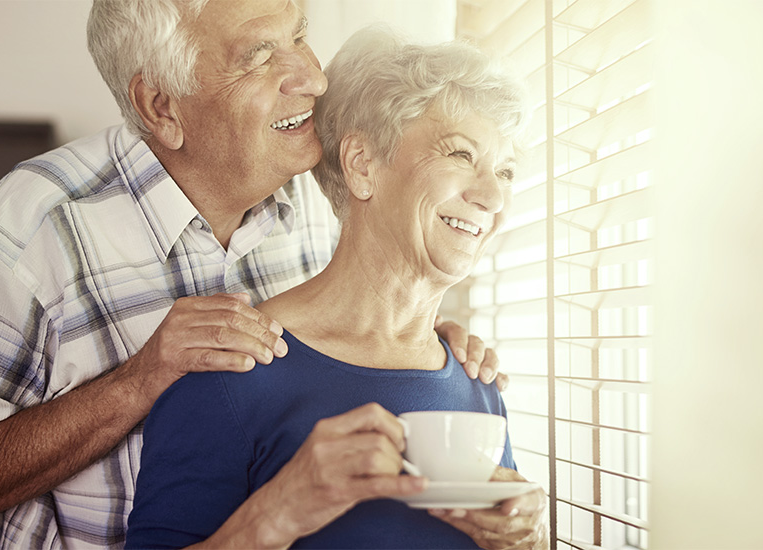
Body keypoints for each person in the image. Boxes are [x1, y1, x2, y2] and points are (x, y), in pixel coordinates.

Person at [0, 0, 503, 548]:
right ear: (160, 105)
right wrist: (140, 379)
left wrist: (414, 342)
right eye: (260, 55)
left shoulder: (311, 207)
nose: (313, 78)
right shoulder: (34, 226)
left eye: (298, 36)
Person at [125, 25, 548, 550]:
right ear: (362, 165)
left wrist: (522, 536)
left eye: (505, 171)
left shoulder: (475, 381)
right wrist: (276, 514)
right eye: (460, 155)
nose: (490, 195)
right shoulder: (231, 372)